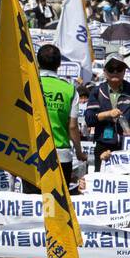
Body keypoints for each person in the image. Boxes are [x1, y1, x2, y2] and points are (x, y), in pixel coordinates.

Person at [85, 57, 130, 164]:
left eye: (119, 69)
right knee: (102, 178)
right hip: (103, 144)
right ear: (105, 72)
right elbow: (89, 119)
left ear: (124, 71)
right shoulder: (97, 91)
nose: (115, 72)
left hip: (127, 146)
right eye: (111, 69)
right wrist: (108, 114)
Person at [36, 44, 83, 184]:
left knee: (32, 201)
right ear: (59, 64)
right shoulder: (69, 89)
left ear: (38, 62)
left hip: (32, 154)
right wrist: (79, 152)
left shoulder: (30, 84)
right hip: (61, 155)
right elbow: (73, 126)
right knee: (57, 203)